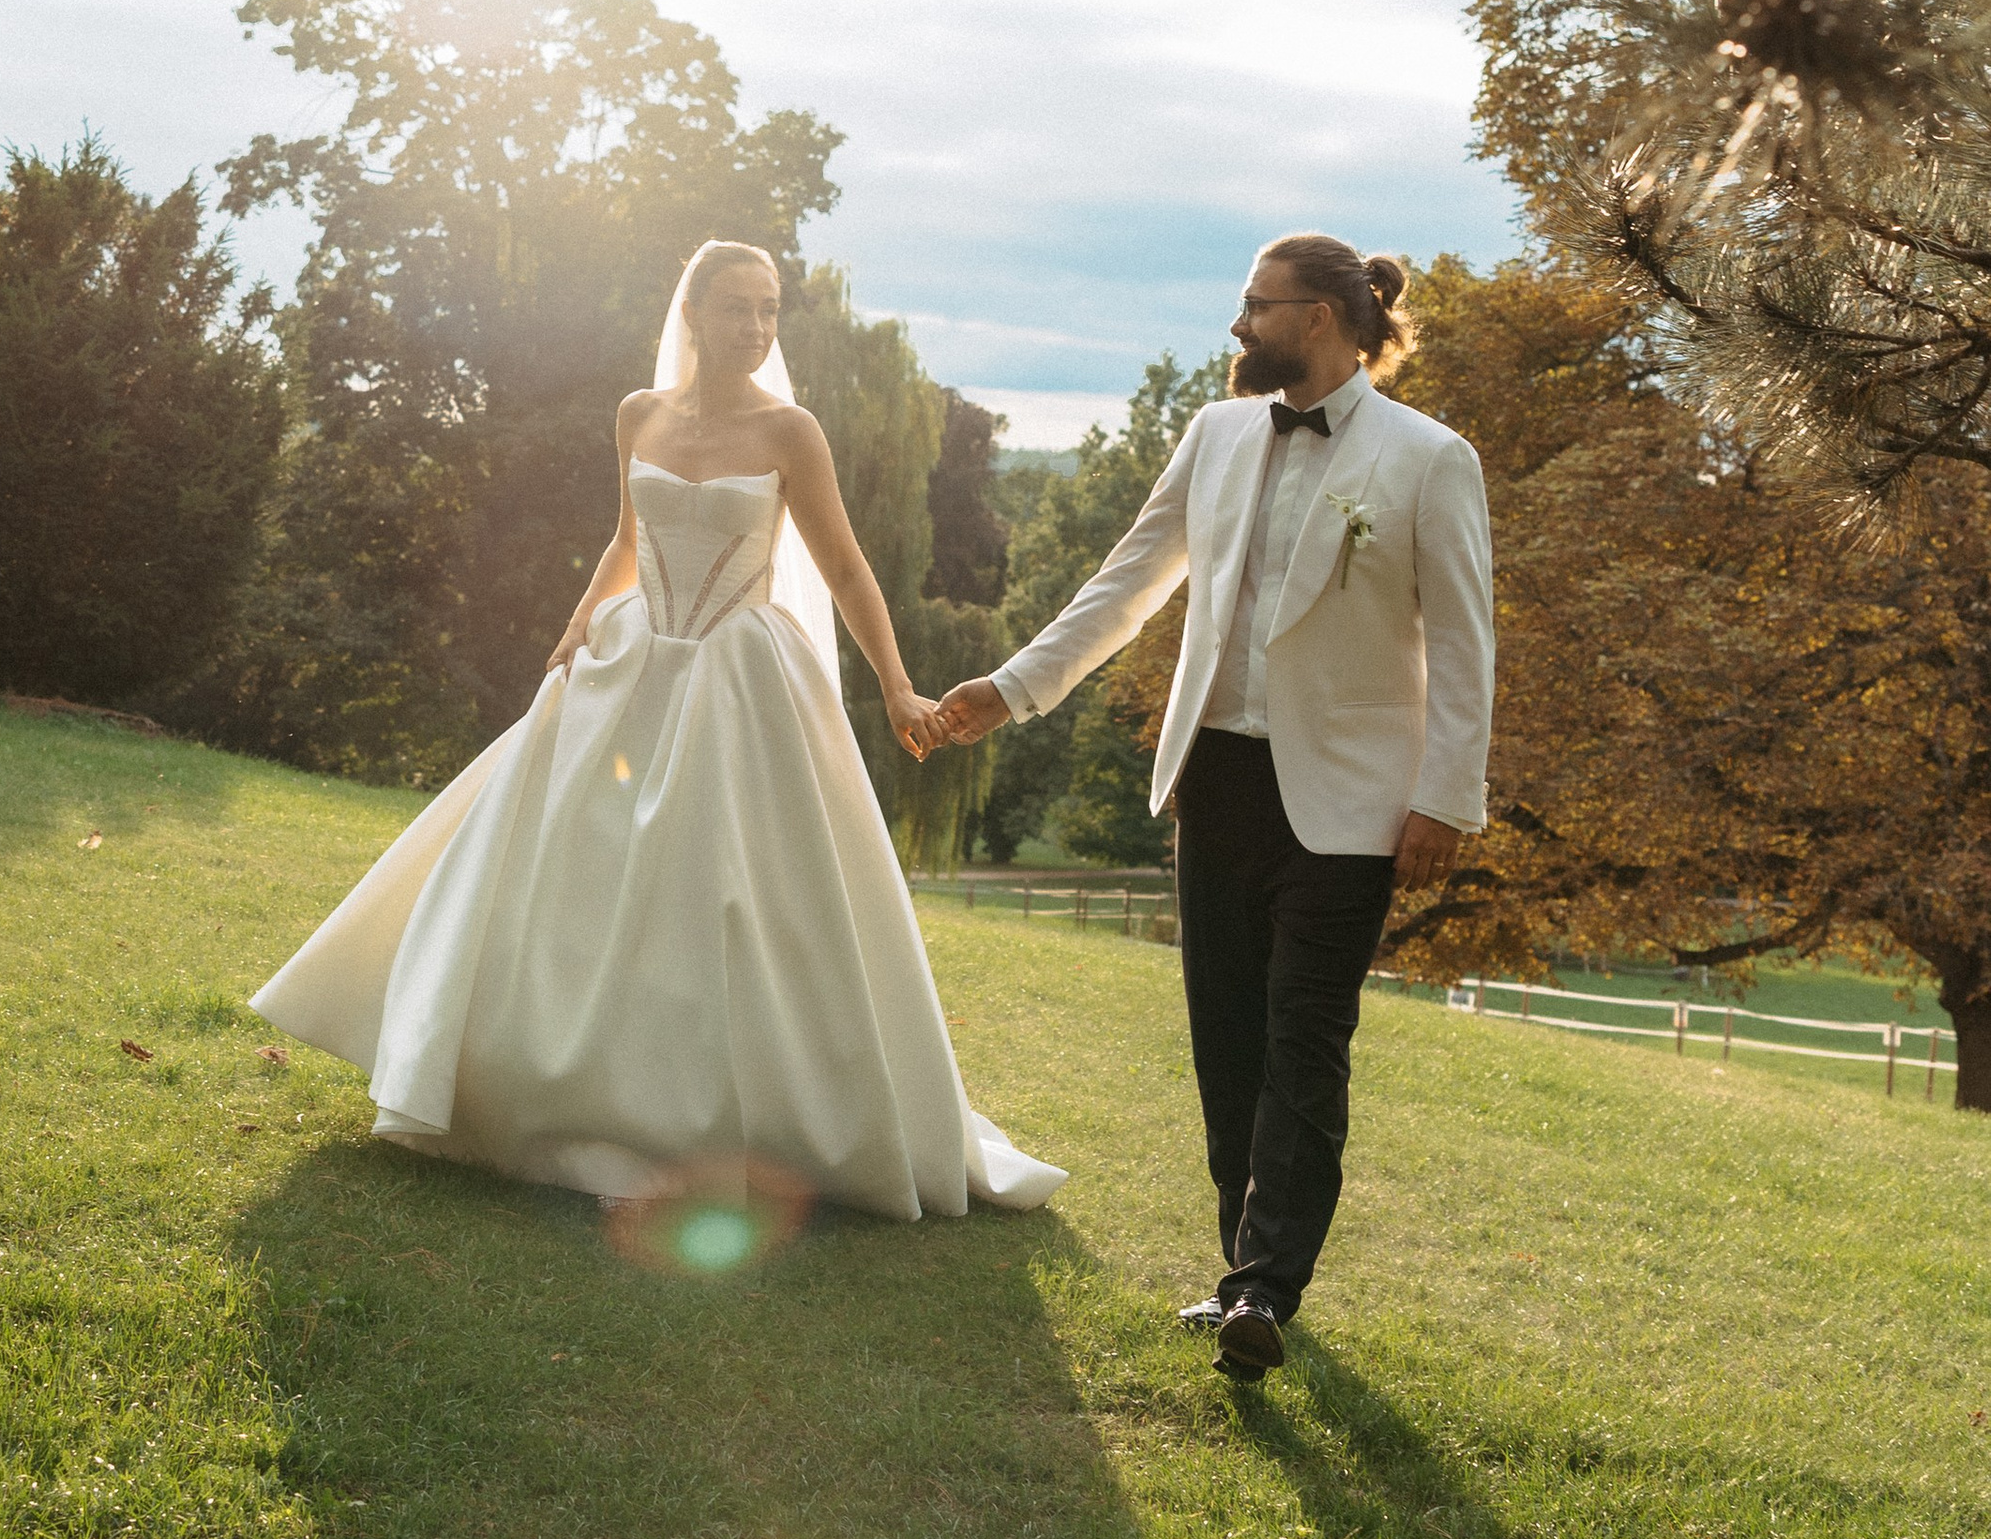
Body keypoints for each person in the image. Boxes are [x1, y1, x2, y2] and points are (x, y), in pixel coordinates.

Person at [250, 238, 1064, 1220]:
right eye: (736, 309)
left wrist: (894, 687)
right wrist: (572, 629)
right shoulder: (638, 414)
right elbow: (628, 541)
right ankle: (540, 1091)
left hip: (741, 675)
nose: (756, 329)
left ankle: (716, 1115)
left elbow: (845, 570)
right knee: (562, 862)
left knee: (723, 887)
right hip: (633, 656)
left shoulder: (790, 431)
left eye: (768, 311)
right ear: (693, 314)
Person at [936, 233, 1491, 1377]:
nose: (1238, 327)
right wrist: (1010, 690)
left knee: (1303, 1043)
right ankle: (1240, 1273)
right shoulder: (1217, 432)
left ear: (1325, 318)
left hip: (1350, 804)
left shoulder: (1431, 460)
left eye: (1256, 306)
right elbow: (1125, 584)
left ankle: (1264, 1291)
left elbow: (1465, 644)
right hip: (1217, 783)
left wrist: (1447, 797)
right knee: (1226, 1045)